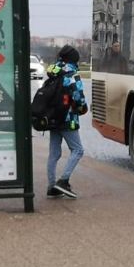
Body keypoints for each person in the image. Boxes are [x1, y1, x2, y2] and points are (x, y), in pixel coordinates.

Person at [46, 45, 88, 199]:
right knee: (77, 150)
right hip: (68, 117)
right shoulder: (72, 74)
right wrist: (82, 108)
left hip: (52, 117)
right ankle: (63, 181)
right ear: (74, 59)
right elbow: (78, 97)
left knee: (54, 153)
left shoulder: (53, 71)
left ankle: (51, 186)